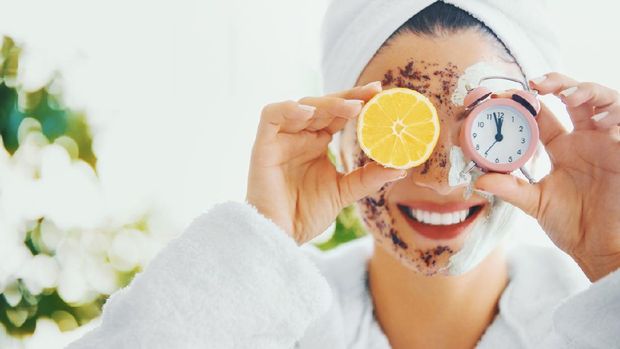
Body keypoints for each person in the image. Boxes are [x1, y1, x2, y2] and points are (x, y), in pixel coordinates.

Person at [68, 1, 620, 348]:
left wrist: (612, 264)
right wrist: (259, 247)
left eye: (485, 130)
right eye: (404, 127)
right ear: (343, 130)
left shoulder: (596, 318)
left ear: (532, 136)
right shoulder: (258, 317)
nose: (441, 181)